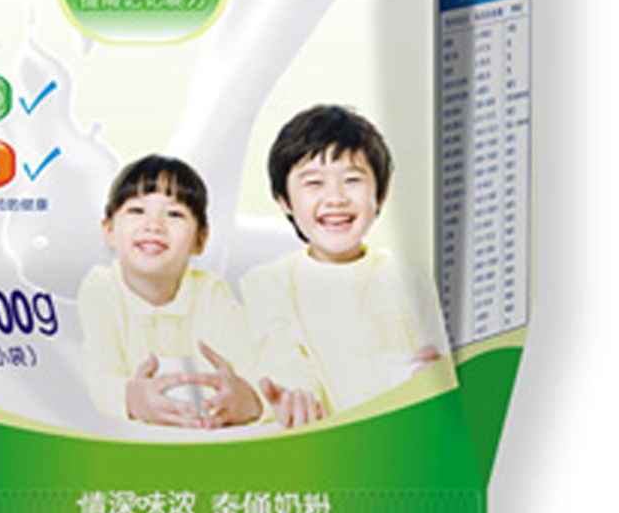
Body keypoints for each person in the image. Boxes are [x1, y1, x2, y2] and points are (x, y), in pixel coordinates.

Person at [241, 105, 450, 428]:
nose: (336, 198)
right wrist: (292, 398)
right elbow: (279, 361)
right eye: (314, 183)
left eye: (352, 180)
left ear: (380, 195)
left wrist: (437, 375)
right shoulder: (266, 285)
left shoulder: (407, 280)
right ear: (284, 200)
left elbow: (440, 357)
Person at [78, 153, 262, 428]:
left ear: (200, 240)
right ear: (109, 231)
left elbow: (260, 370)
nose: (154, 225)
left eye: (174, 214)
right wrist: (131, 399)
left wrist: (250, 400)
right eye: (137, 211)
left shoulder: (210, 292)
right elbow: (98, 376)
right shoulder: (102, 288)